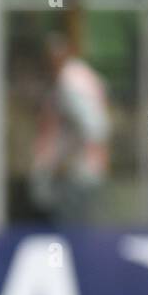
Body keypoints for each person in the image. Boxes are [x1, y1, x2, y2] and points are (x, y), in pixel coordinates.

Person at [29, 33, 111, 224]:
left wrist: (65, 161)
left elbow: (95, 127)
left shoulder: (70, 82)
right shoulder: (82, 75)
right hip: (81, 171)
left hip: (74, 176)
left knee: (72, 235)